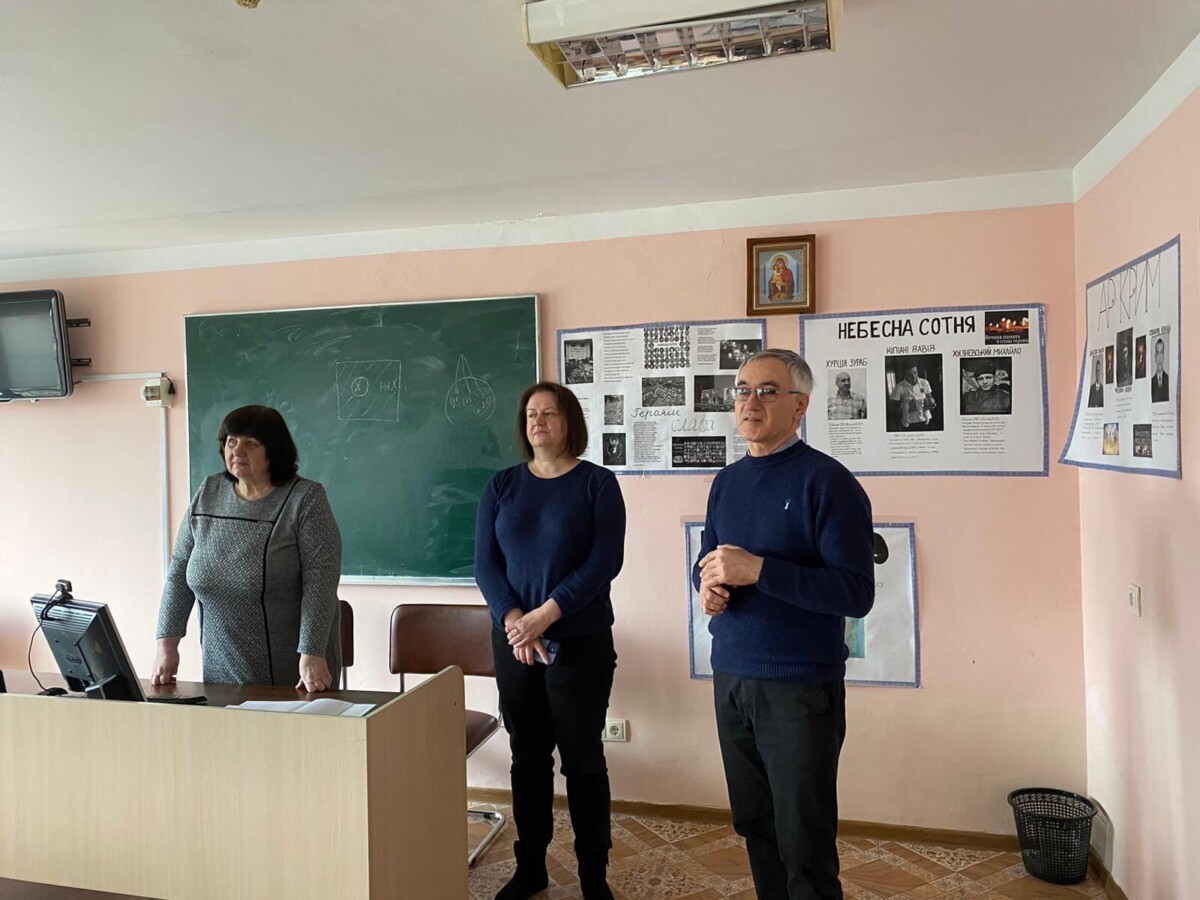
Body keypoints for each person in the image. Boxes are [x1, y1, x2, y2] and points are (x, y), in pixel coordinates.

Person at [694, 349, 875, 900]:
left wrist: (760, 571)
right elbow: (709, 559)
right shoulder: (726, 482)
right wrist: (707, 585)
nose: (750, 402)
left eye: (767, 391)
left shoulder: (828, 482)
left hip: (799, 687)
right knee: (756, 825)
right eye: (742, 390)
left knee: (804, 843)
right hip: (732, 675)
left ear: (800, 406)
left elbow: (856, 592)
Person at [474, 381, 626, 900]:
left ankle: (593, 877)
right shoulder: (501, 486)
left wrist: (544, 616)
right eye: (531, 415)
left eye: (549, 414)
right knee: (528, 758)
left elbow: (604, 563)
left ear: (570, 423)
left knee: (583, 760)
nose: (538, 422)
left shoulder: (598, 484)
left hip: (579, 642)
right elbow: (486, 564)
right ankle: (531, 868)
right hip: (515, 644)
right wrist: (516, 621)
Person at [154, 405, 342, 691]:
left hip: (295, 670)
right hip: (219, 667)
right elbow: (179, 571)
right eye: (232, 441)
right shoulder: (209, 492)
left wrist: (312, 651)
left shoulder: (305, 499)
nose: (237, 451)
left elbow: (321, 583)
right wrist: (167, 645)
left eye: (251, 444)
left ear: (274, 451)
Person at [890, 362, 936, 428]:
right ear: (904, 374)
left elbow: (930, 398)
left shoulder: (924, 382)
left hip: (926, 420)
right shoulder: (899, 387)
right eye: (910, 375)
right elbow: (893, 408)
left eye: (915, 373)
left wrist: (930, 404)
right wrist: (907, 408)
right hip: (910, 424)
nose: (914, 377)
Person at [1151, 338, 1170, 402]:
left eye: (1161, 352)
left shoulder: (1168, 379)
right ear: (1155, 357)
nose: (1159, 357)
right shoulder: (1151, 382)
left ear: (1164, 355)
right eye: (1157, 353)